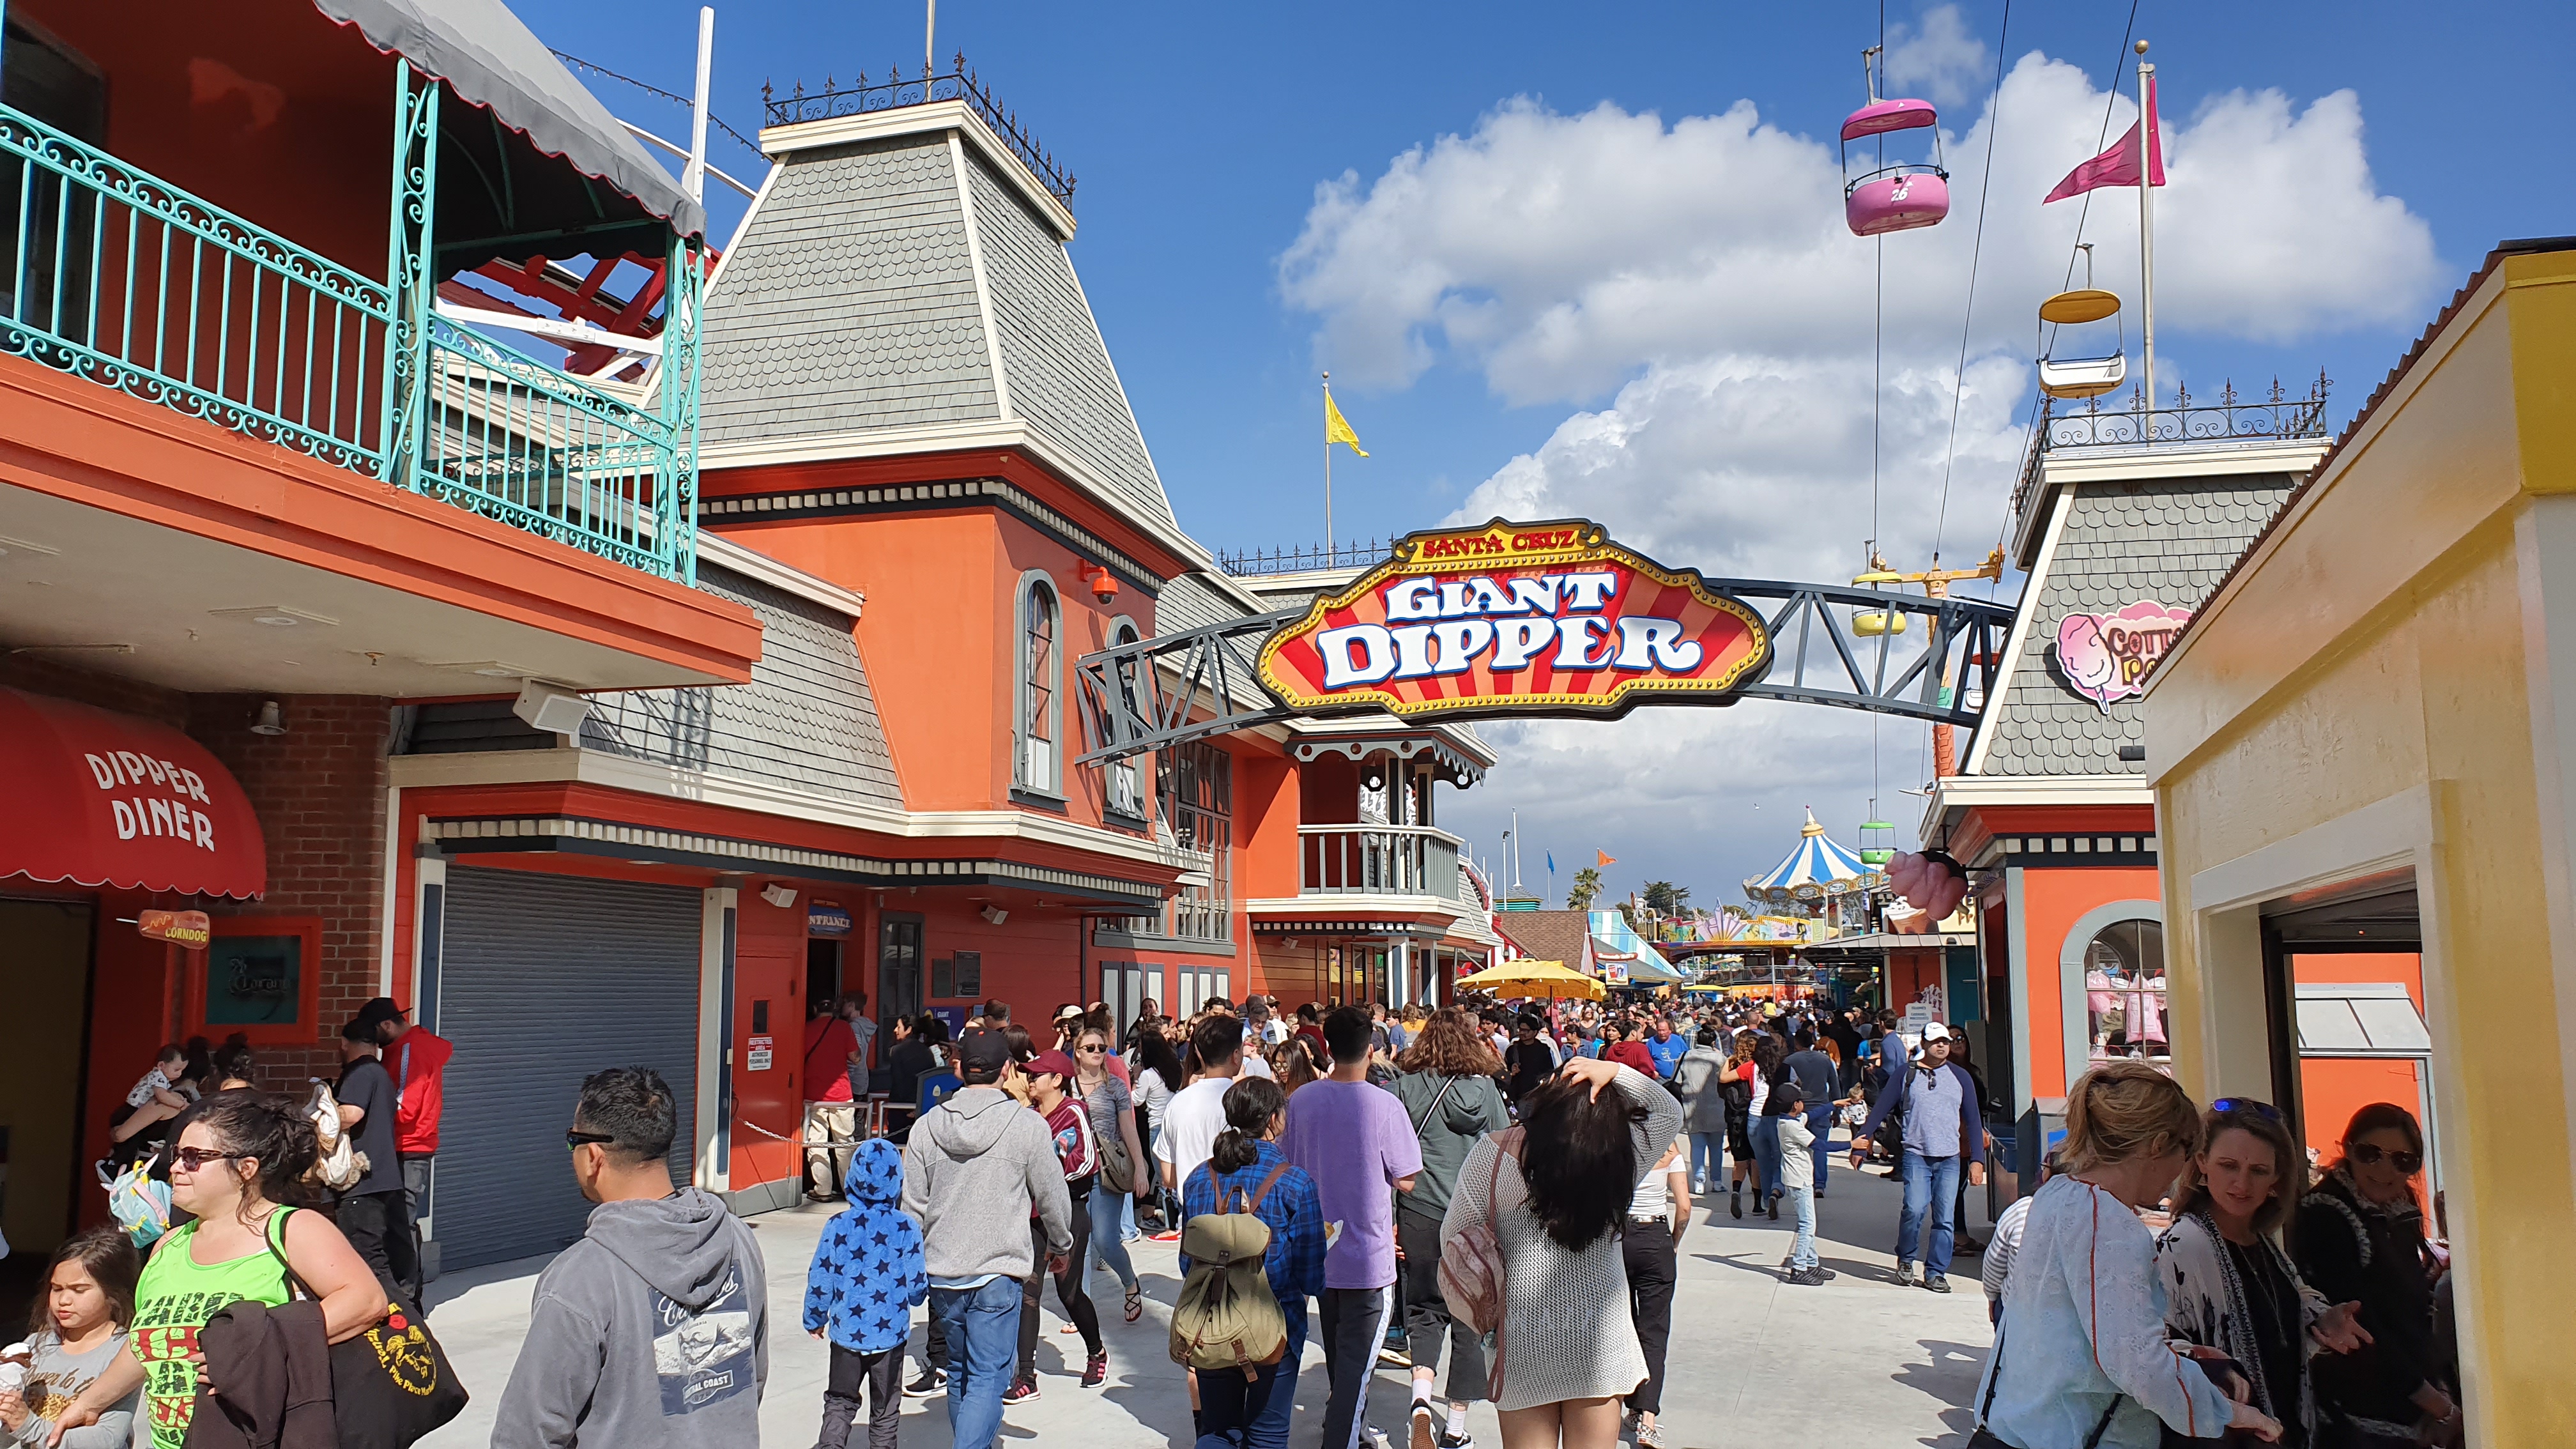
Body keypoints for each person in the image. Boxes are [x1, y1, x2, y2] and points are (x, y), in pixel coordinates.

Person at [47, 1094, 388, 1449]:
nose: (175, 1168)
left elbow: (366, 1301)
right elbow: (148, 1344)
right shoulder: (168, 1246)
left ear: (246, 1169)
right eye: (176, 1155)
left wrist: (263, 1347)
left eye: (193, 1158)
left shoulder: (291, 1229)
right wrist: (89, 1403)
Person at [1970, 1061, 2273, 1448]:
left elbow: (2072, 1333)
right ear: (2159, 1145)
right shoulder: (2111, 1225)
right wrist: (2226, 1412)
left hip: (2013, 1428)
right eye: (2186, 1151)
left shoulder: (2057, 1194)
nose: (2182, 1171)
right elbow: (2137, 1364)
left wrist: (2183, 1354)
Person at [492, 1067, 768, 1449]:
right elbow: (750, 1380)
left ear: (593, 1156)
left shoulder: (581, 1279)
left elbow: (527, 1434)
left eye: (573, 1140)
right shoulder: (737, 1239)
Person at [1440, 1055, 1681, 1449]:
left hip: (1523, 1337)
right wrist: (1616, 1072)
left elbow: (1455, 1237)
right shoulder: (1619, 1157)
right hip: (1601, 1342)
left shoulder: (1494, 1154)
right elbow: (1669, 1112)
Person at [2157, 1099, 2372, 1449]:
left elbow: (2291, 1306)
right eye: (2229, 1166)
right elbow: (2158, 1349)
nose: (2242, 1184)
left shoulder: (2263, 1243)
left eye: (2258, 1170)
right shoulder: (2184, 1246)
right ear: (2202, 1163)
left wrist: (2323, 1319)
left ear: (2276, 1177)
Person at [901, 1028, 1072, 1449]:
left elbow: (912, 1208)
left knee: (961, 1372)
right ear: (1008, 1070)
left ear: (959, 1069)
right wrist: (1061, 1243)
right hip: (998, 1269)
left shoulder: (926, 1127)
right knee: (987, 1379)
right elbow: (1052, 1194)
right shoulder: (1027, 1125)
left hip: (943, 1271)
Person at [1282, 1006, 1423, 1449]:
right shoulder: (1385, 1105)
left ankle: (1348, 1428)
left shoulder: (1301, 1100)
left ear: (1326, 1046)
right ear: (1371, 1050)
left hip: (1317, 1249)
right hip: (1367, 1255)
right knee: (1355, 1367)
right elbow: (1407, 1178)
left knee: (1340, 1358)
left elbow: (1288, 1163)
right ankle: (1343, 1435)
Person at [2296, 1103, 2457, 1448]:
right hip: (2356, 1413)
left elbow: (2415, 1315)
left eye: (2402, 1160)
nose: (2385, 1170)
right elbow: (2361, 1329)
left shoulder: (2398, 1210)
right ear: (2348, 1148)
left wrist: (2438, 1394)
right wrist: (2438, 1406)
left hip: (2409, 1406)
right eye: (2371, 1154)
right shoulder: (2326, 1215)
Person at [1181, 1077, 1326, 1449]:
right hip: (1275, 1327)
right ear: (1275, 1119)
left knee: (1217, 1430)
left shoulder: (1199, 1179)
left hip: (1212, 1321)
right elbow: (1311, 1276)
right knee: (1268, 1433)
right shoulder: (1296, 1183)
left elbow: (1187, 1263)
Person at [1387, 1011, 1510, 1448]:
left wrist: (1392, 1218)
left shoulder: (1403, 1088)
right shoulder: (1486, 1090)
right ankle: (1455, 1428)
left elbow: (1388, 1158)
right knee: (1470, 1317)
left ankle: (1420, 1399)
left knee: (1424, 1308)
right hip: (1473, 1215)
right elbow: (1504, 1149)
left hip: (1419, 1209)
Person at [803, 1138, 925, 1449]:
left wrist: (815, 1317)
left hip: (847, 1334)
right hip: (890, 1336)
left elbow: (820, 1277)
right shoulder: (907, 1227)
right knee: (885, 1410)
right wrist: (915, 1296)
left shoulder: (837, 1225)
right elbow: (916, 1289)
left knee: (840, 1401)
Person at [1851, 1022, 1986, 1292]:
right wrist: (1860, 1145)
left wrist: (1977, 1160)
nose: (1942, 1046)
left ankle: (1936, 1272)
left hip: (1949, 1158)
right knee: (1914, 1209)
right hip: (1916, 1155)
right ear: (1923, 1044)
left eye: (1946, 1041)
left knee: (1945, 1218)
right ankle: (1906, 1259)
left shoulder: (1961, 1077)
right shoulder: (1907, 1073)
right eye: (1936, 1041)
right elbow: (1880, 1109)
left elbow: (1974, 1120)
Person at [1015, 1048, 1107, 1397]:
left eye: (1036, 1075)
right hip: (1032, 1216)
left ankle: (1096, 1352)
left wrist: (1048, 1183)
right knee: (1029, 1292)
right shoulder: (1027, 1117)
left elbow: (1087, 1163)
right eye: (1028, 1074)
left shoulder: (1074, 1112)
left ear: (1057, 1080)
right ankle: (1026, 1377)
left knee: (1069, 1293)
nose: (1029, 1080)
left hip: (1070, 1212)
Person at [1, 1228, 140, 1449]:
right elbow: (8, 1437)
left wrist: (28, 1425)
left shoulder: (126, 1352)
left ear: (113, 1293)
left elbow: (108, 1440)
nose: (64, 1300)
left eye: (79, 1290)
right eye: (57, 1289)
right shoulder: (37, 1345)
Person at [354, 997, 448, 1307]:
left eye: (373, 1032)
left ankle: (407, 1298)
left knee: (400, 1225)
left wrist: (363, 1114)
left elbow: (405, 1106)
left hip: (407, 1146)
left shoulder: (410, 1050)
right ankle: (408, 1293)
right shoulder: (410, 1047)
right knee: (401, 1223)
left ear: (386, 1025)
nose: (371, 1040)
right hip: (408, 1145)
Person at [332, 1014, 417, 1308]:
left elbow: (351, 1114)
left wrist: (318, 1113)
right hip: (386, 1176)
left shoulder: (360, 1073)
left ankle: (395, 1314)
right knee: (395, 1249)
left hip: (362, 1181)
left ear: (345, 1043)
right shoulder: (381, 1074)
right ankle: (408, 1306)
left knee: (367, 1256)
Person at [1072, 1025, 1150, 1325]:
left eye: (1101, 1048)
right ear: (1078, 1052)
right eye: (1090, 1048)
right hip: (1075, 1171)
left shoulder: (1115, 1086)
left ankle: (1130, 1282)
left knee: (1105, 1240)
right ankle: (1081, 1308)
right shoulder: (1066, 1086)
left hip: (1107, 1170)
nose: (1096, 1052)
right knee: (1078, 1242)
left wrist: (1140, 1167)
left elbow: (1128, 1128)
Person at [1621, 1137, 1690, 1448]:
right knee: (1654, 1331)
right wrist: (1673, 1243)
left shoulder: (1616, 1146)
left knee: (1621, 1326)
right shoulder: (1670, 1150)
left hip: (1621, 1237)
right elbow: (1684, 1207)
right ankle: (1647, 1418)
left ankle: (1622, 1405)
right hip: (1655, 1235)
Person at [1156, 1015, 1251, 1238]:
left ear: (1199, 1054)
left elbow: (1168, 1177)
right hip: (1239, 1217)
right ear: (1236, 1056)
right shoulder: (1243, 1103)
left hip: (1192, 1217)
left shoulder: (1177, 1102)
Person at [1982, 1152, 2057, 1326]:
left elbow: (1995, 1262)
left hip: (2017, 1310)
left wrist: (1992, 1296)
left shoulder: (2022, 1210)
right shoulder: (2094, 1215)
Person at [804, 995, 862, 1202]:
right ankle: (850, 1190)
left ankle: (823, 1190)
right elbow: (856, 1058)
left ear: (815, 1008)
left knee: (817, 1142)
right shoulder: (844, 1028)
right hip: (842, 1094)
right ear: (835, 1008)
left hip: (814, 1095)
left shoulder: (806, 1029)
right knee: (845, 1143)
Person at [1133, 1027, 1188, 1237]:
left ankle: (1171, 1227)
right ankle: (1181, 1220)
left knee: (1163, 1178)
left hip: (1156, 1126)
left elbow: (1137, 1100)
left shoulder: (1148, 1075)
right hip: (1174, 1124)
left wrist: (1135, 1078)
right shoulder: (1173, 1068)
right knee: (1176, 1172)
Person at [1770, 1080, 1826, 1285]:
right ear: (1795, 1105)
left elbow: (1812, 1115)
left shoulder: (1788, 1119)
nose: (1804, 1104)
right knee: (1807, 1225)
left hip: (1798, 1178)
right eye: (1801, 1100)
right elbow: (1820, 1145)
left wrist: (1835, 1104)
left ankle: (1812, 1263)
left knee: (1808, 1223)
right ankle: (1799, 1268)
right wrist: (1851, 1144)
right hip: (1799, 1180)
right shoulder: (1792, 1127)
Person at [1781, 1029, 1840, 1197]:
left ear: (1797, 1043)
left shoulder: (1790, 1061)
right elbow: (1834, 1086)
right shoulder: (1825, 1060)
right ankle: (1820, 1184)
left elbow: (1783, 1087)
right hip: (1821, 1108)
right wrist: (1837, 1110)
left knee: (1796, 1149)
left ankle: (1799, 1182)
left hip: (1797, 1110)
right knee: (1820, 1147)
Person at [1672, 1027, 1730, 1197]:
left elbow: (1677, 1081)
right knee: (1716, 1146)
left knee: (1697, 1146)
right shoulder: (1720, 1059)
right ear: (1713, 1042)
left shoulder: (1685, 1056)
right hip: (1716, 1107)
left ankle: (1699, 1181)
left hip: (1692, 1107)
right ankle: (1717, 1181)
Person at [106, 1046, 189, 1153]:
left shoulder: (155, 1075)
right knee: (130, 1142)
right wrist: (181, 1104)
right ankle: (118, 1161)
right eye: (176, 1070)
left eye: (182, 1071)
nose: (179, 1074)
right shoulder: (159, 1078)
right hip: (130, 1111)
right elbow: (162, 1097)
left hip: (130, 1110)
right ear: (161, 1065)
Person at [1747, 1033, 1786, 1220]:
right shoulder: (1783, 1068)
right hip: (1776, 1115)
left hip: (1755, 1115)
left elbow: (1723, 1077)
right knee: (1779, 1160)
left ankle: (1765, 1200)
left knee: (1763, 1163)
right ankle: (1776, 1192)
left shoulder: (1751, 1067)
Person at [1502, 1014, 1556, 1108]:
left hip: (1537, 1094)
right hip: (1518, 1095)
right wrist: (1511, 1070)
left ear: (1535, 1032)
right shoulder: (1513, 1049)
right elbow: (1504, 1071)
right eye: (1521, 1030)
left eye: (1526, 1031)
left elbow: (1549, 1071)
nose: (1522, 1033)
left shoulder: (1543, 1049)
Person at [1643, 1018, 1688, 1082]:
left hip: (1677, 1079)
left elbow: (1687, 1057)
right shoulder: (1651, 1042)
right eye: (1659, 1030)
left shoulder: (1678, 1040)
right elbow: (1646, 1060)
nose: (1662, 1033)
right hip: (1660, 1079)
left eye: (1664, 1030)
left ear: (1670, 1030)